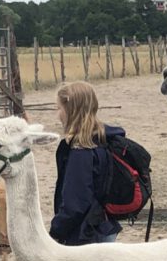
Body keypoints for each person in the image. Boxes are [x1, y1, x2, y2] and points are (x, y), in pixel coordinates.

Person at [49, 81, 122, 245]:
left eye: (59, 108)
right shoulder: (103, 140)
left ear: (70, 109)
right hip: (105, 225)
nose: (57, 115)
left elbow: (75, 203)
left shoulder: (81, 151)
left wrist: (56, 231)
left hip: (86, 235)